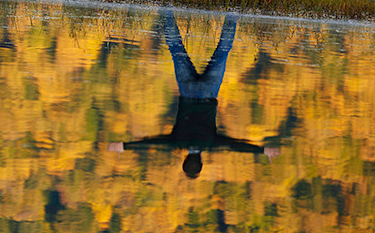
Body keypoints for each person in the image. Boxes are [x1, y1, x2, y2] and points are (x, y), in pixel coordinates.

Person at [108, 9, 278, 178]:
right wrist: (124, 146)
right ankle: (166, 10)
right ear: (185, 158)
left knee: (222, 51)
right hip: (187, 92)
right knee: (176, 48)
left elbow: (235, 146)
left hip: (208, 93)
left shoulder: (209, 143)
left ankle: (232, 14)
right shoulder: (178, 142)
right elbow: (152, 143)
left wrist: (263, 150)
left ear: (201, 161)